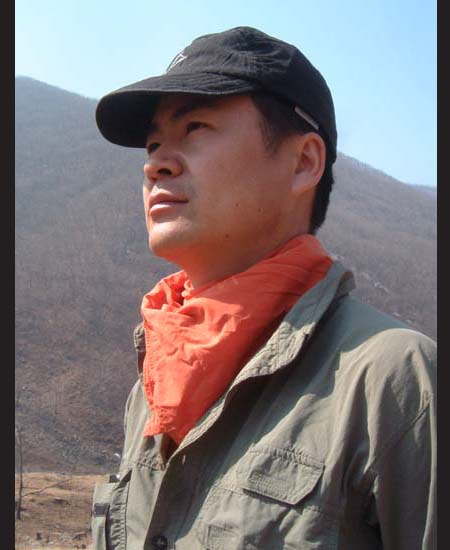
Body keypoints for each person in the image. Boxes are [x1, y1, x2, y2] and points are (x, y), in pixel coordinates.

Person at [92, 26, 436, 550]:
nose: (155, 163)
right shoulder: (154, 386)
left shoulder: (395, 381)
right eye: (155, 143)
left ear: (304, 162)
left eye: (196, 127)